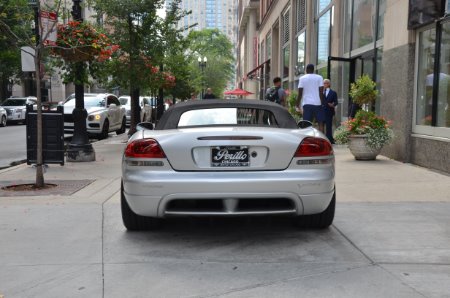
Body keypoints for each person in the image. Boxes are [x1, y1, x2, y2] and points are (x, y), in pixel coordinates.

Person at [296, 64, 325, 133]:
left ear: (306, 70)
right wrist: (322, 103)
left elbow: (300, 93)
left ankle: (308, 139)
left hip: (307, 104)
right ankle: (321, 139)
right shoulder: (319, 77)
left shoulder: (302, 78)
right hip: (317, 103)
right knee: (320, 123)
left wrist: (297, 104)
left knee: (306, 124)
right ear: (313, 69)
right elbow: (321, 92)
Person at [323, 79, 338, 143]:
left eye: (325, 83)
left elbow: (336, 102)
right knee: (321, 126)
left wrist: (332, 104)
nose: (324, 85)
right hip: (321, 111)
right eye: (323, 83)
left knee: (328, 126)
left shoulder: (333, 93)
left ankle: (329, 139)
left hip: (329, 111)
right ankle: (323, 139)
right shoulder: (321, 92)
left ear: (329, 84)